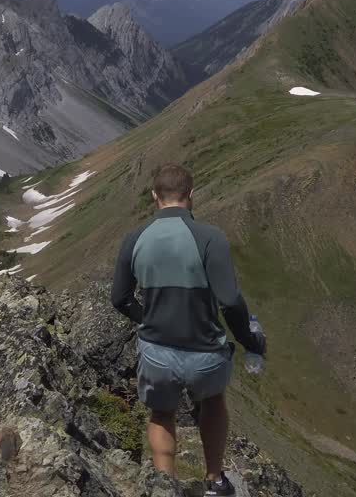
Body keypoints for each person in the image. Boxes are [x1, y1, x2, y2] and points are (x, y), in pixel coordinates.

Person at [110, 163, 266, 496]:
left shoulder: (134, 239)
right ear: (191, 195)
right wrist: (251, 341)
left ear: (155, 197)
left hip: (157, 352)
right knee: (212, 403)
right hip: (205, 353)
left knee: (161, 412)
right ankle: (214, 480)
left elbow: (119, 298)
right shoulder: (211, 238)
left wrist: (147, 317)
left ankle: (165, 485)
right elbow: (231, 301)